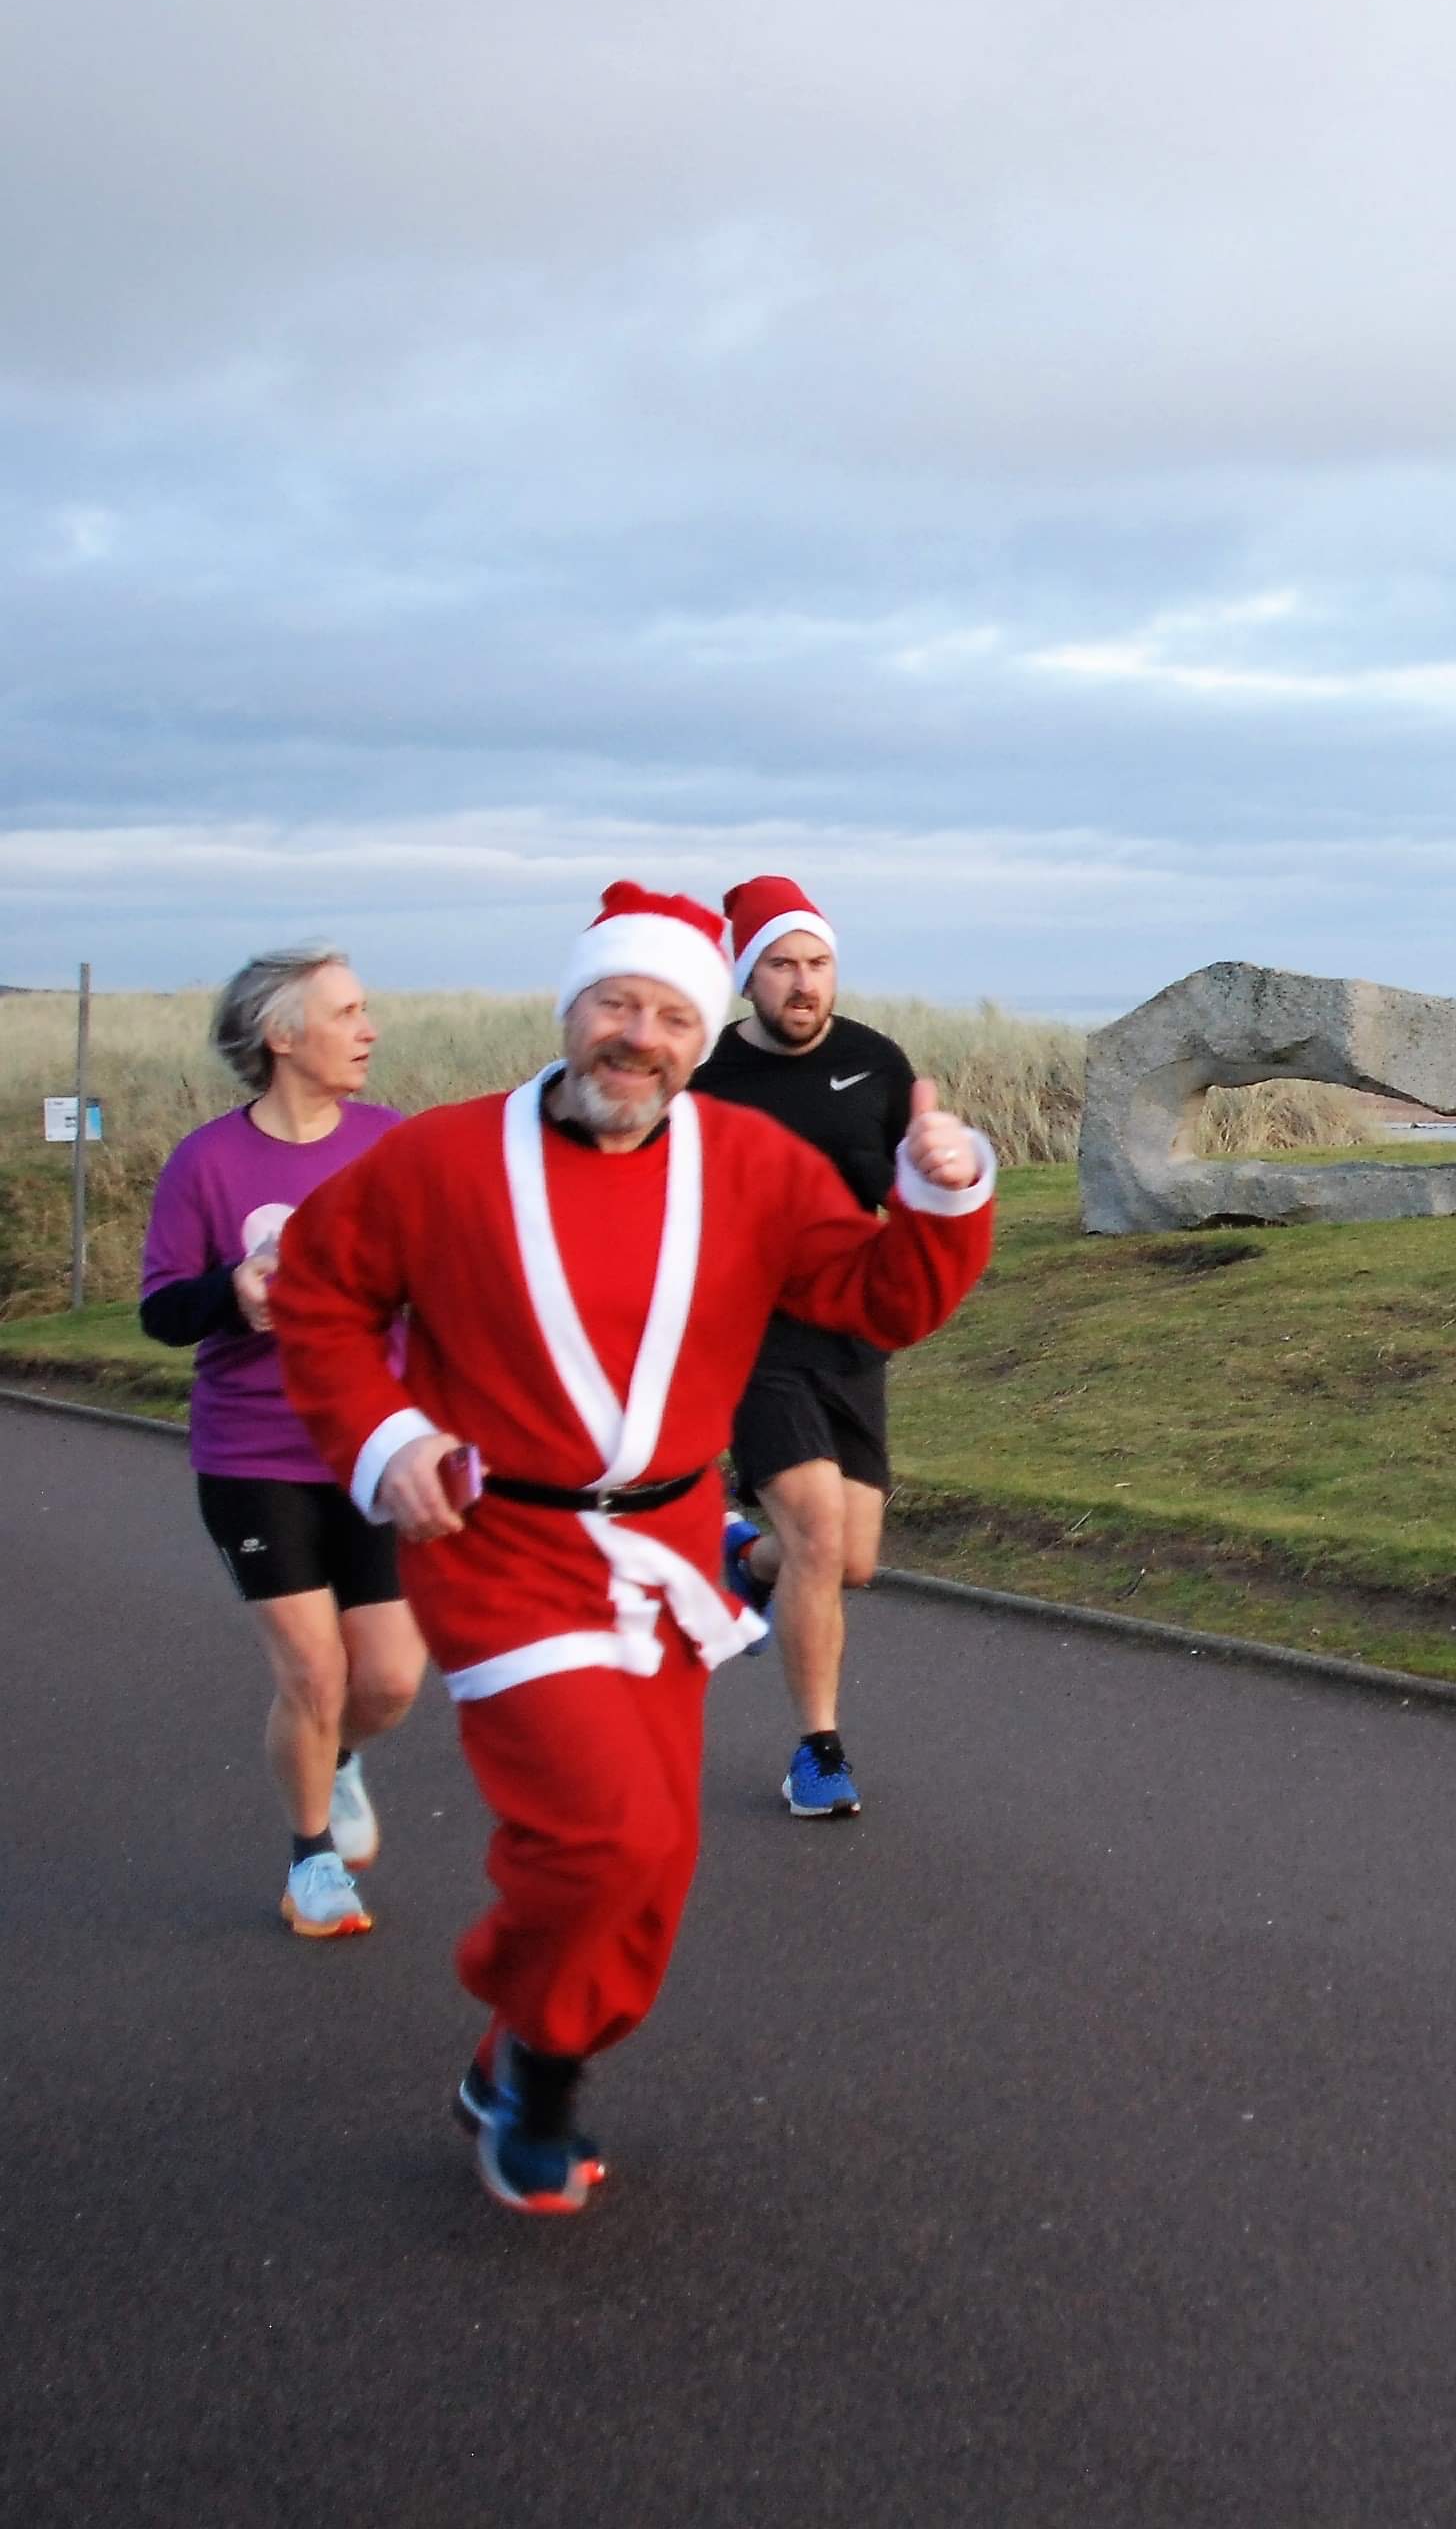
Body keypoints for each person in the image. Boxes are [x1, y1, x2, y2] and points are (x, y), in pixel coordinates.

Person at [275, 883, 998, 2215]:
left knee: (655, 1853)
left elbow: (875, 1298)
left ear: (697, 1034)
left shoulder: (750, 1165)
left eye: (673, 1014)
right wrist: (386, 1442)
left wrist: (938, 1193)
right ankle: (541, 2086)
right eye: (617, 1004)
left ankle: (518, 2049)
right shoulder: (442, 1159)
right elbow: (320, 1290)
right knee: (602, 1836)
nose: (640, 1036)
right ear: (571, 1010)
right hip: (497, 1548)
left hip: (667, 1550)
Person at [137, 946, 426, 1938]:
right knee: (312, 1671)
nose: (368, 1029)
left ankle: (335, 1756)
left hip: (372, 1445)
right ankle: (311, 1866)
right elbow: (163, 1313)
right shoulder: (207, 1163)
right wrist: (234, 1291)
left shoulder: (391, 1144)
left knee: (385, 1681)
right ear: (283, 1035)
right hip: (252, 1452)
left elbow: (442, 1279)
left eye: (364, 1008)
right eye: (347, 1012)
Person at [688, 876, 918, 1818]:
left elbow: (917, 1186)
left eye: (817, 963)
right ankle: (817, 1753)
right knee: (819, 1533)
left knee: (849, 1560)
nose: (803, 983)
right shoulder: (704, 1078)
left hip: (852, 1332)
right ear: (747, 976)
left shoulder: (876, 1062)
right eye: (781, 965)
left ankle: (745, 1566)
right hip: (753, 1337)